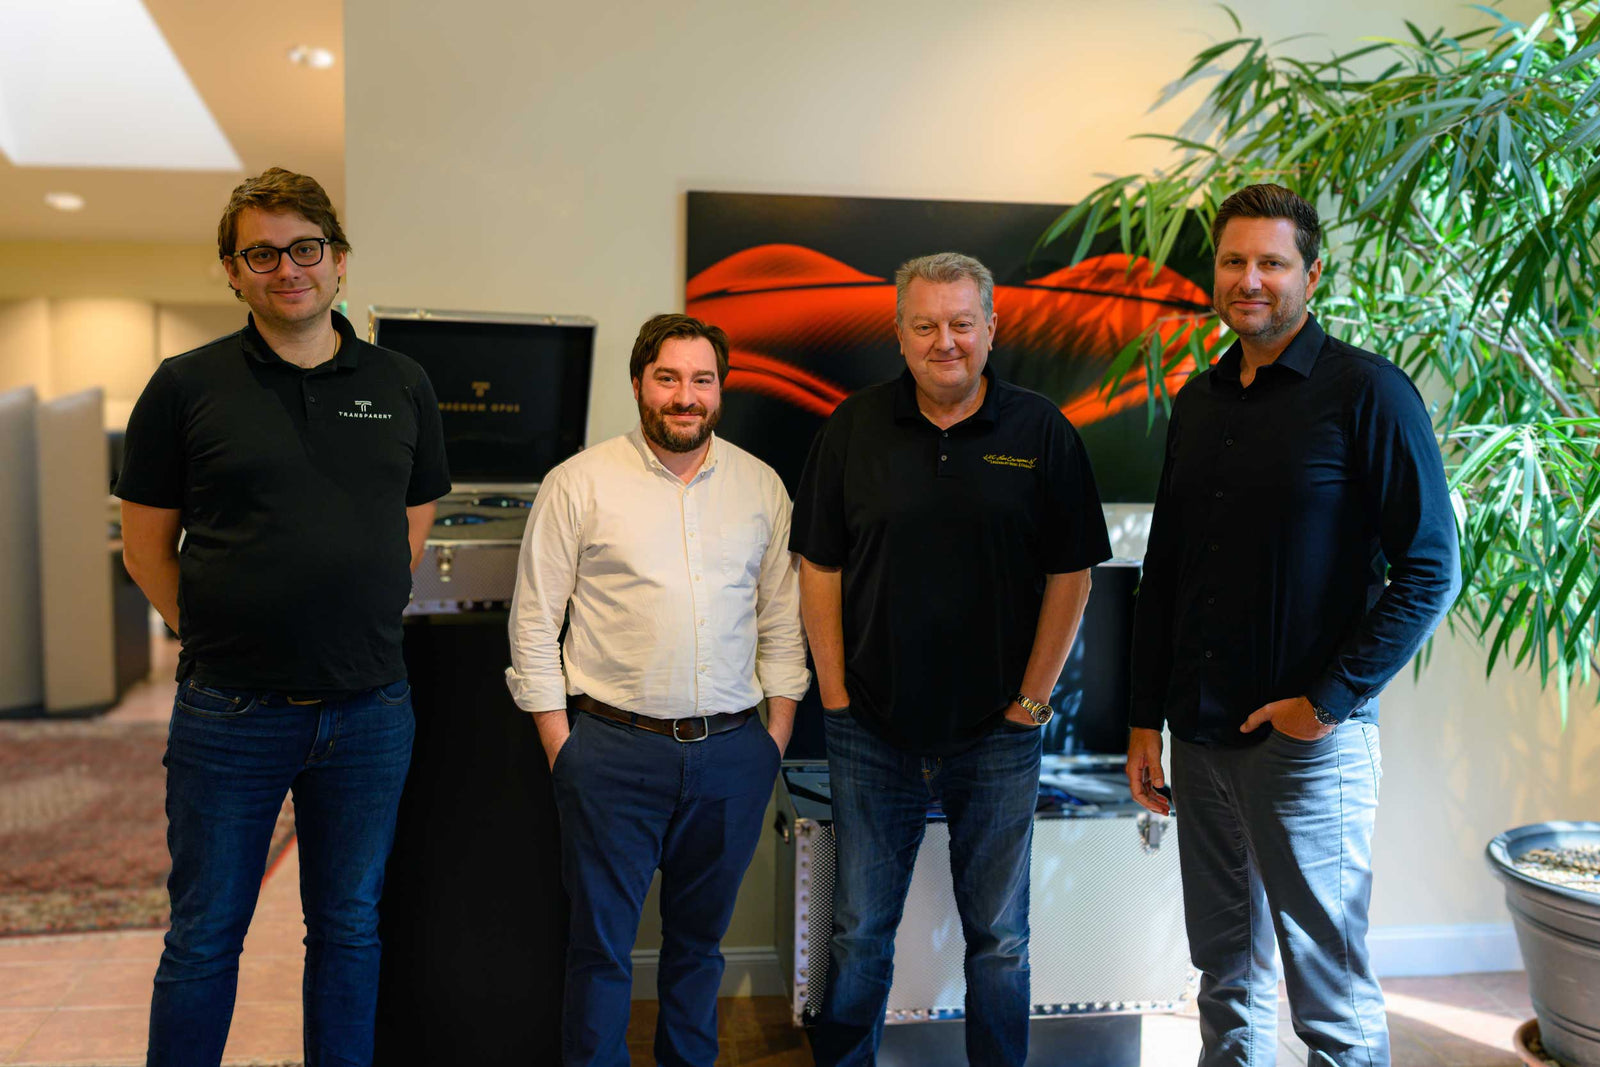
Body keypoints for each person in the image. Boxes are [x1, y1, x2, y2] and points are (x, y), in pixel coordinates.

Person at [116, 167, 450, 1067]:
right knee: (204, 934)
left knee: (347, 928)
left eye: (305, 248)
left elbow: (410, 523)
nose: (286, 267)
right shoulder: (186, 386)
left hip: (371, 709)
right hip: (230, 711)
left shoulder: (403, 381)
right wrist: (215, 629)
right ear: (232, 272)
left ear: (339, 262)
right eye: (260, 252)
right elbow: (144, 544)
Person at [1125, 183, 1461, 1067]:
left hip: (1308, 748)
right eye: (1234, 261)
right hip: (1198, 742)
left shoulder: (1367, 393)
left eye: (1272, 262)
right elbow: (1167, 575)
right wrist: (1140, 718)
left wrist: (1326, 702)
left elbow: (1432, 568)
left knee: (1330, 996)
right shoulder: (1198, 404)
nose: (1251, 279)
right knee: (1225, 979)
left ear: (1311, 273)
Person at [790, 252, 1112, 1067]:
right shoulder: (851, 429)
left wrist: (1032, 703)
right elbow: (818, 567)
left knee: (1001, 938)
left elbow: (1071, 572)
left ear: (991, 328)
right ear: (898, 333)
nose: (946, 341)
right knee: (860, 930)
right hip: (870, 728)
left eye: (962, 323)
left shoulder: (1041, 431)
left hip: (999, 736)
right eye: (925, 324)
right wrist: (832, 693)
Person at [506, 312, 810, 1067]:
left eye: (701, 379)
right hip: (610, 752)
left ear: (720, 388)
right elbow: (534, 623)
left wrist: (772, 740)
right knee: (601, 950)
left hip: (733, 755)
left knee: (699, 948)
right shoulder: (578, 483)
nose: (685, 396)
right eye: (668, 378)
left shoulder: (760, 486)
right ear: (640, 383)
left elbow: (782, 619)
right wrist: (562, 746)